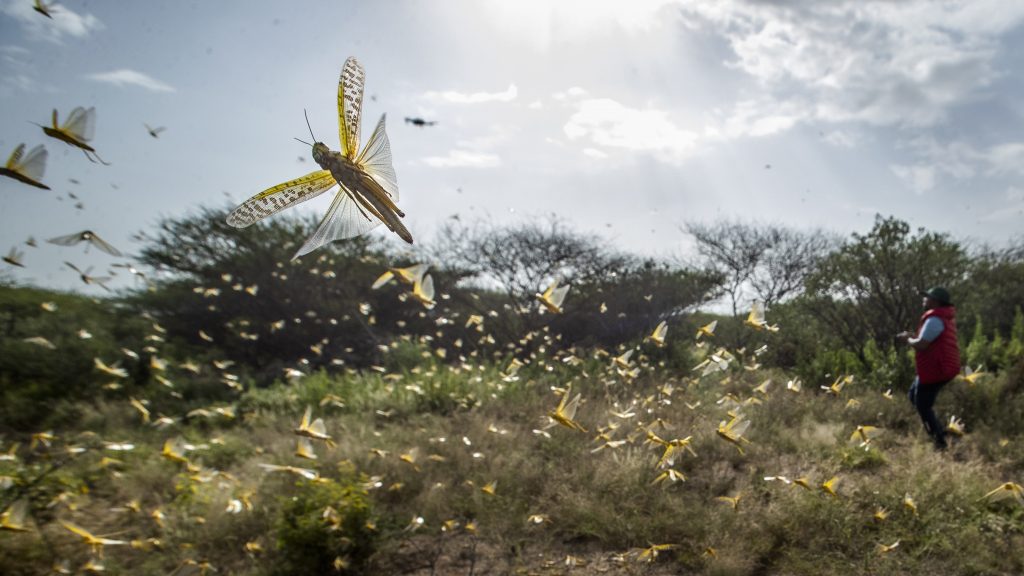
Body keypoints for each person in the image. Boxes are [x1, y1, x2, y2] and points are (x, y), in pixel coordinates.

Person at [897, 287, 961, 450]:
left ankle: (939, 442)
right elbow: (927, 340)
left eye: (928, 297)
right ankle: (940, 430)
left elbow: (922, 345)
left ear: (936, 301)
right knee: (914, 396)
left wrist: (907, 340)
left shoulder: (935, 320)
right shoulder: (941, 318)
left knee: (922, 405)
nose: (924, 300)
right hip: (938, 367)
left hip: (937, 369)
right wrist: (913, 337)